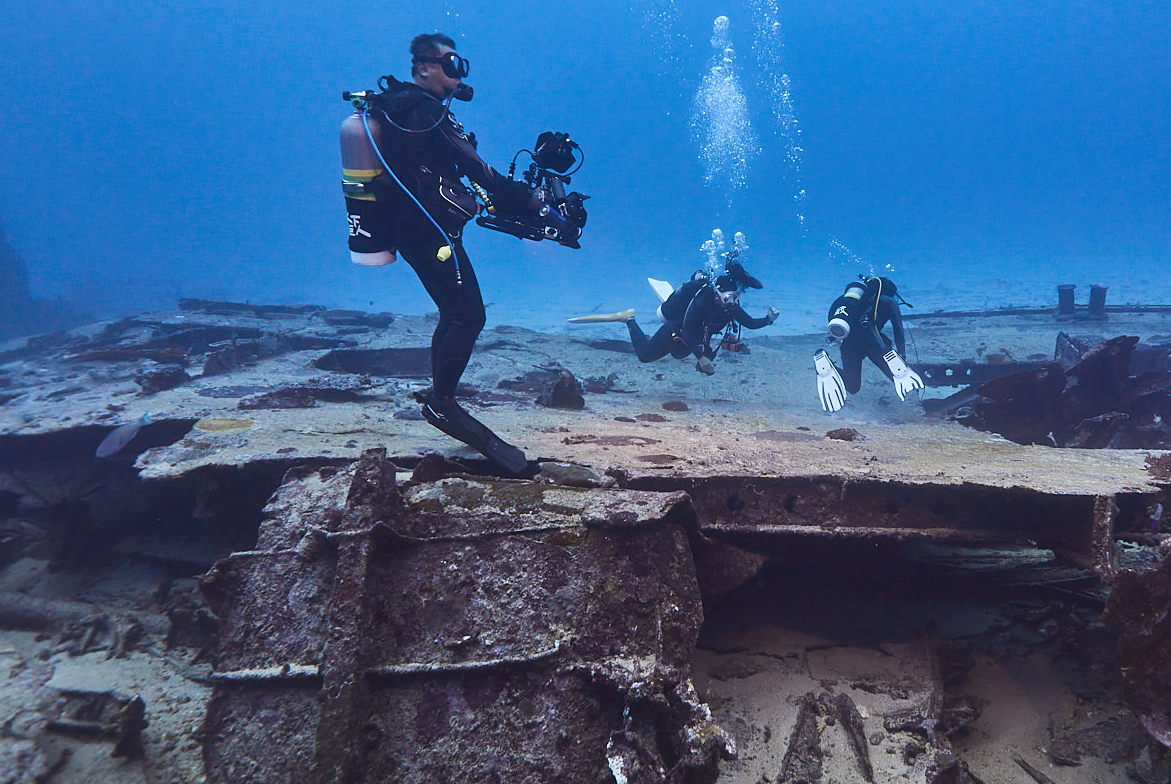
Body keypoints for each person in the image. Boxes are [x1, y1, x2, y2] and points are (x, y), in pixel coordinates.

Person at [339, 32, 561, 475]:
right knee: (467, 315)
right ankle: (442, 403)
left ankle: (439, 397)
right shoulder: (423, 113)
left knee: (455, 312)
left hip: (419, 228)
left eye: (461, 66)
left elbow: (465, 176)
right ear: (423, 67)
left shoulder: (403, 110)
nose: (458, 75)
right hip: (427, 232)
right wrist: (538, 203)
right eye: (451, 64)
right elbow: (482, 174)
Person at [574, 256, 778, 371]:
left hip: (696, 337)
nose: (731, 303)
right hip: (679, 329)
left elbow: (749, 323)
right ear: (717, 293)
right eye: (727, 298)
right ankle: (629, 318)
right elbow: (688, 330)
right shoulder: (702, 300)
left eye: (734, 297)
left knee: (680, 355)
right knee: (645, 356)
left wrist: (769, 320)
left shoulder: (731, 307)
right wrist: (701, 357)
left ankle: (688, 351)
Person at [814, 276, 922, 411]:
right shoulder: (889, 302)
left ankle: (829, 366)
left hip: (850, 343)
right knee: (898, 374)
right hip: (874, 342)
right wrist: (902, 353)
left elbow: (833, 319)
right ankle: (916, 406)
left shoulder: (848, 301)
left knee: (852, 386)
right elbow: (898, 328)